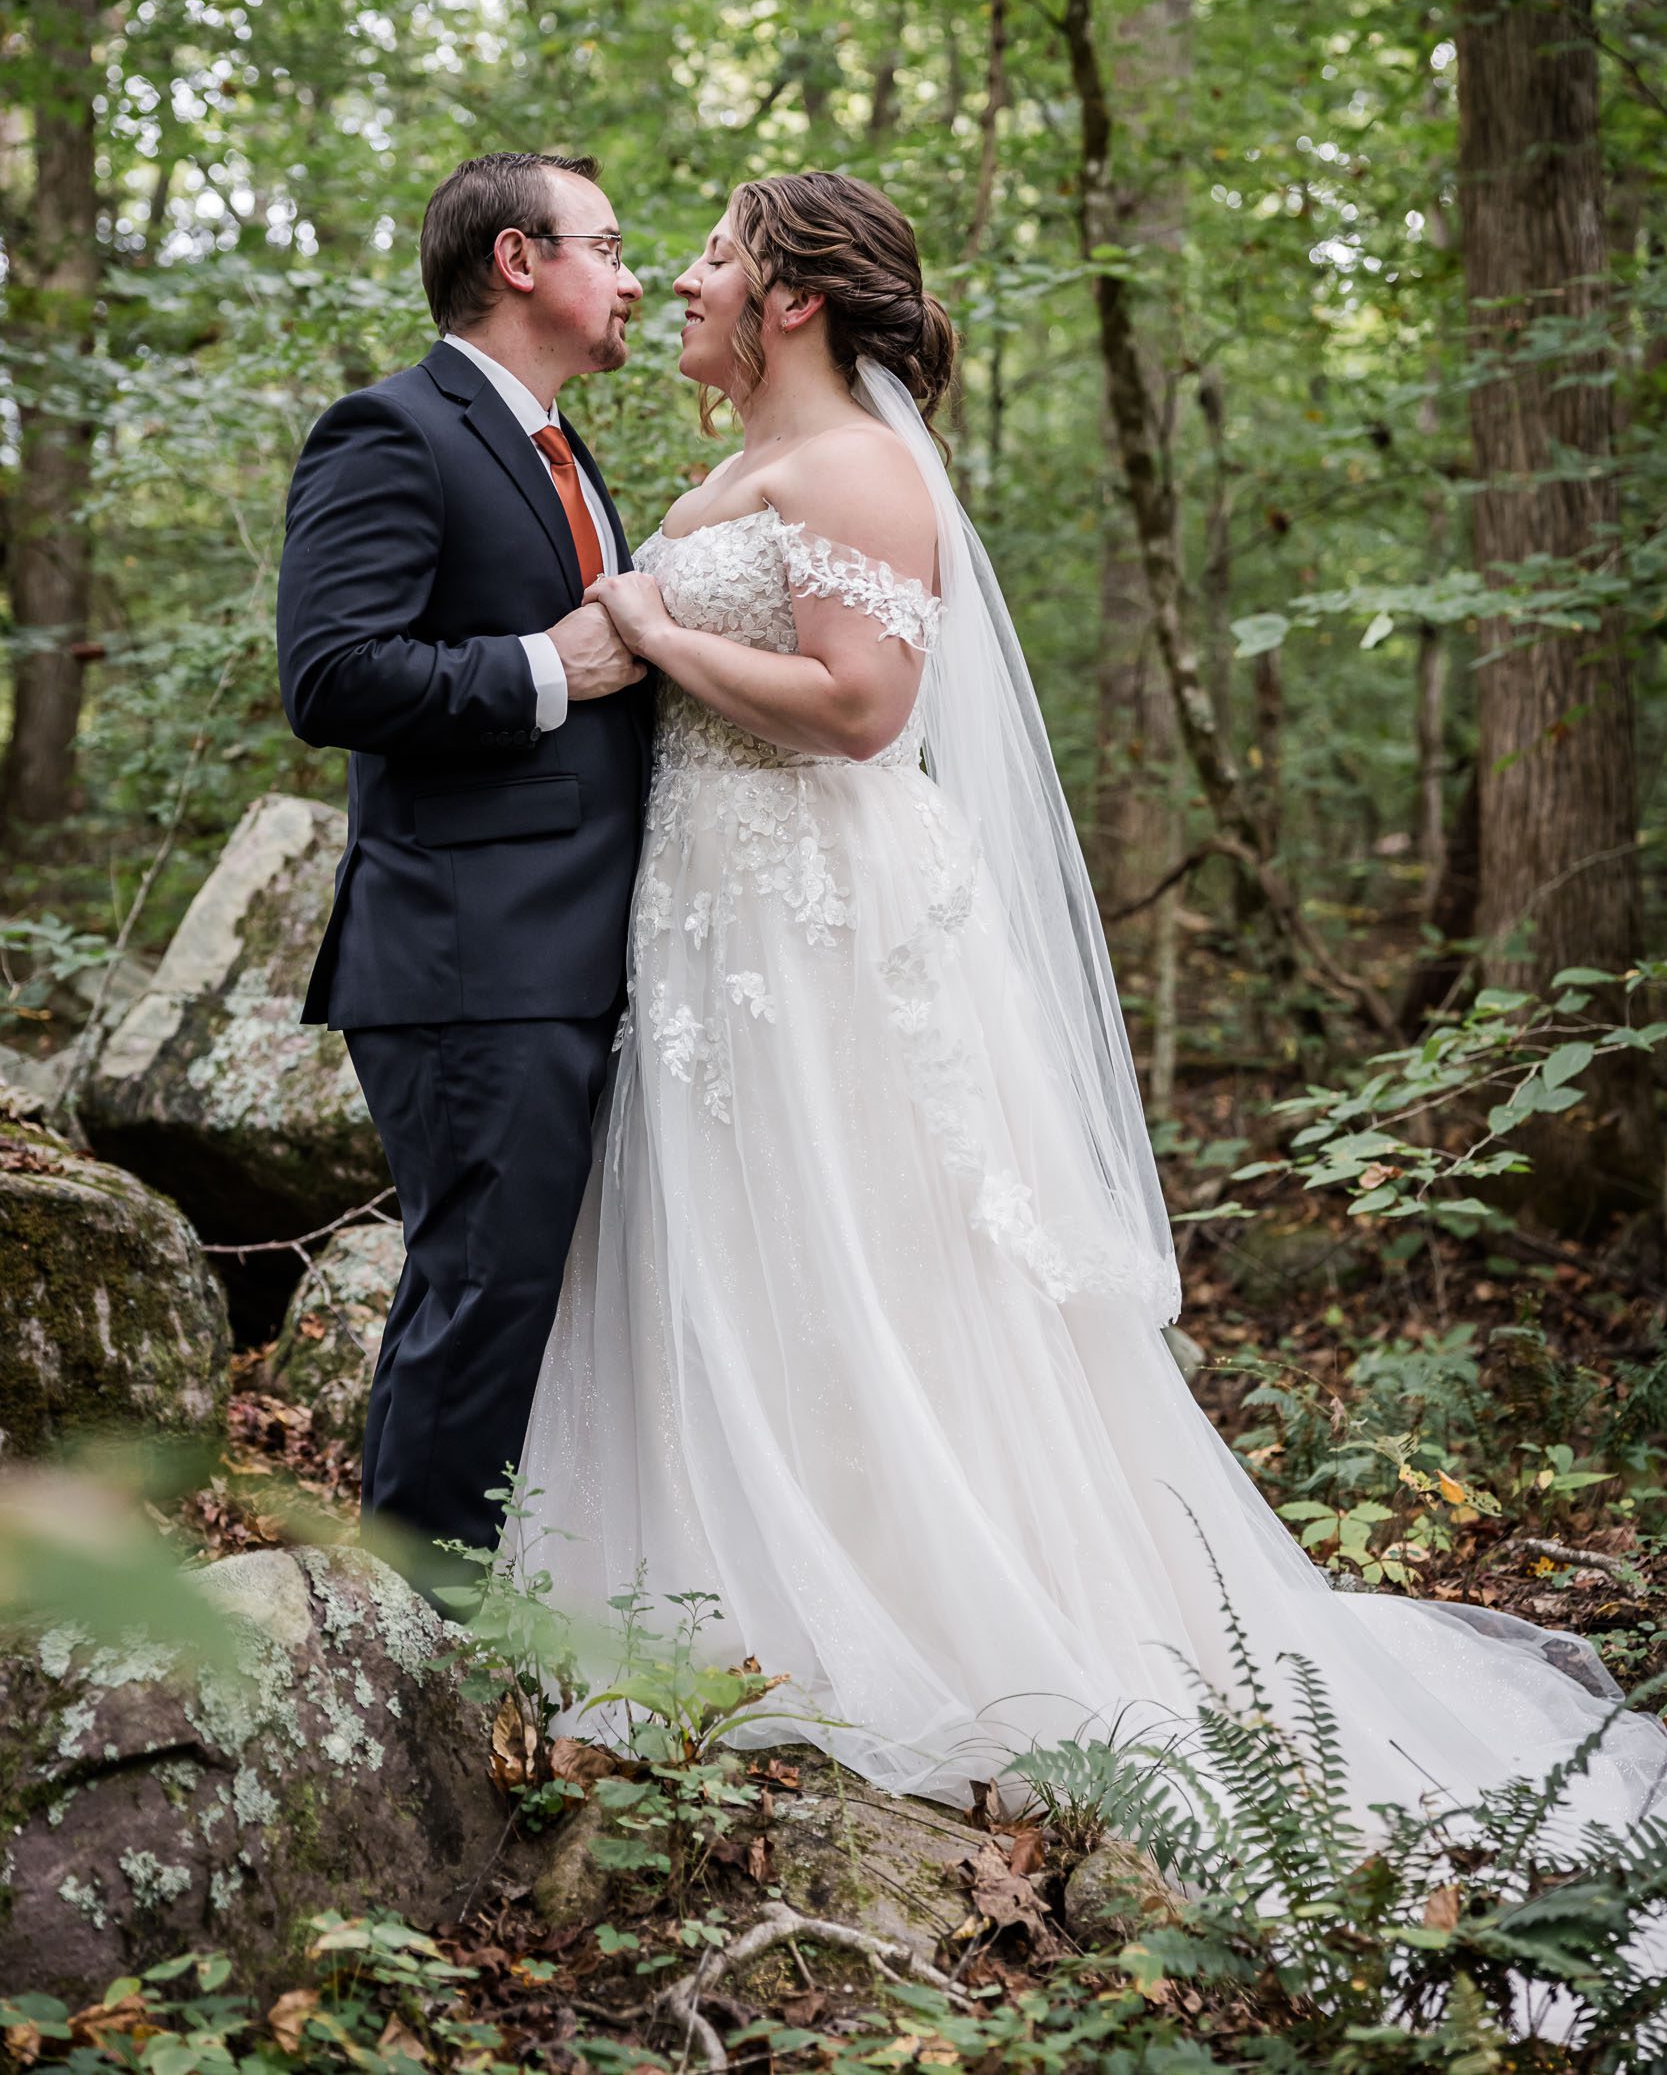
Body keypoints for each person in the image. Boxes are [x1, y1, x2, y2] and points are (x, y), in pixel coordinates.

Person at [511, 168, 1665, 1851]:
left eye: (714, 258)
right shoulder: (737, 465)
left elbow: (861, 708)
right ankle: (728, 1590)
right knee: (743, 1236)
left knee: (863, 1239)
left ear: (796, 299)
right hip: (713, 921)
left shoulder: (858, 468)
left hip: (824, 927)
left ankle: (919, 1599)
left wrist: (649, 632)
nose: (682, 282)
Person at [276, 150, 651, 1603]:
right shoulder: (391, 431)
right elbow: (331, 674)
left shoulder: (562, 448)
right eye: (607, 247)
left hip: (573, 952)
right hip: (467, 956)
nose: (632, 279)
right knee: (477, 1297)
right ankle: (408, 1651)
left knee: (521, 1301)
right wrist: (543, 669)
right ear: (516, 261)